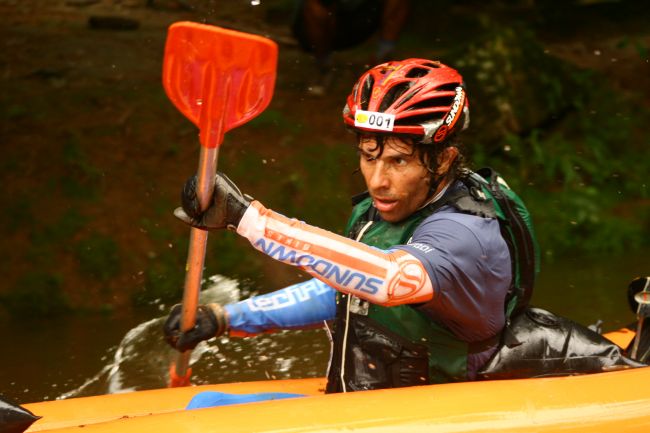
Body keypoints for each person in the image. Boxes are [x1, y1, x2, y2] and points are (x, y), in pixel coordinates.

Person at [164, 59, 523, 392]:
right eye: (369, 156)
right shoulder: (383, 209)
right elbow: (349, 288)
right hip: (371, 409)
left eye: (398, 160)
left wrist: (247, 219)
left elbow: (387, 281)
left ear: (443, 161)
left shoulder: (467, 233)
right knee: (200, 408)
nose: (378, 181)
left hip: (440, 415)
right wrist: (227, 318)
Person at [291, 0, 410, 95]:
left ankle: (384, 63)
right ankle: (322, 68)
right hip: (316, 25)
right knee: (317, 7)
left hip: (359, 21)